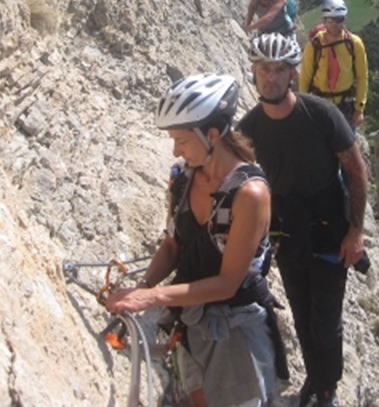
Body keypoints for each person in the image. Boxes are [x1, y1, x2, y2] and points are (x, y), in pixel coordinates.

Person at [105, 73, 286, 407]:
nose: (176, 150)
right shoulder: (182, 179)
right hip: (192, 321)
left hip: (236, 329)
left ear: (212, 135)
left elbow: (228, 283)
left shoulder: (250, 193)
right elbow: (173, 245)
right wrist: (141, 286)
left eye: (182, 140)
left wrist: (151, 297)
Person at [238, 33, 369, 407]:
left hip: (331, 230)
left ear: (293, 73)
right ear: (254, 71)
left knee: (326, 322)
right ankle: (315, 379)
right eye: (265, 68)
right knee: (302, 315)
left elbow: (356, 172)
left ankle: (326, 390)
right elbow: (234, 175)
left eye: (280, 69)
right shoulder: (250, 129)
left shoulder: (321, 114)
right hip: (289, 233)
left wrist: (355, 231)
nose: (272, 77)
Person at [298, 0, 369, 129]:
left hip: (345, 104)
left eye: (339, 19)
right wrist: (304, 105)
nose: (334, 24)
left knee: (345, 147)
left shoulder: (354, 43)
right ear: (323, 20)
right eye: (329, 19)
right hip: (319, 102)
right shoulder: (314, 45)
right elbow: (305, 78)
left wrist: (359, 109)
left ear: (344, 19)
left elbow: (362, 77)